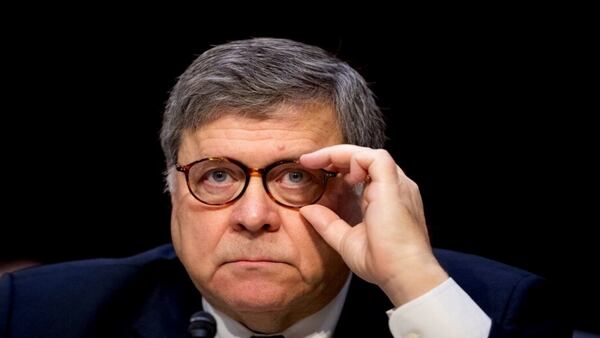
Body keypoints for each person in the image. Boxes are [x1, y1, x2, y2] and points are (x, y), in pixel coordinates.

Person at [0, 38, 571, 338]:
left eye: (294, 176)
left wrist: (413, 283)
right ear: (173, 193)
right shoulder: (37, 314)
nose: (252, 215)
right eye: (217, 175)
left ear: (359, 192)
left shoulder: (498, 313)